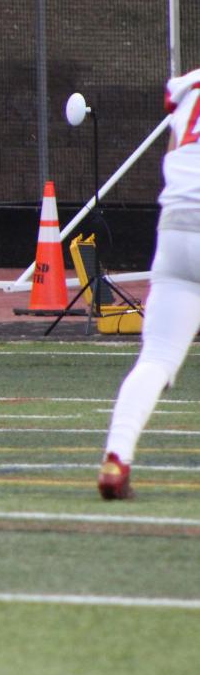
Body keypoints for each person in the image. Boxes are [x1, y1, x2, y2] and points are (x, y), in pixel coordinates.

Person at [98, 67, 200, 499]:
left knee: (156, 357)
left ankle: (117, 458)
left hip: (176, 226)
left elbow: (178, 135)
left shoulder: (190, 82)